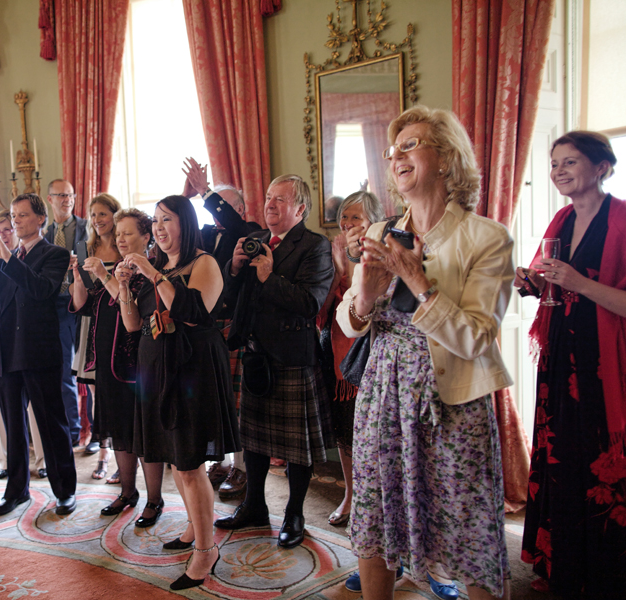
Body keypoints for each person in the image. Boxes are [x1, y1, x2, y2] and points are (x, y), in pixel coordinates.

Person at [336, 106, 515, 600]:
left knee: (468, 526)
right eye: (394, 149)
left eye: (412, 144)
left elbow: (478, 338)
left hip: (452, 403)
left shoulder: (486, 238)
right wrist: (367, 296)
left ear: (446, 159)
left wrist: (417, 281)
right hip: (383, 395)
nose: (398, 156)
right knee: (375, 514)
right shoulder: (378, 233)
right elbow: (349, 322)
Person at [519, 131, 626, 599]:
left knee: (599, 460)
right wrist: (530, 282)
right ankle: (561, 566)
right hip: (561, 356)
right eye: (554, 163)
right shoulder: (561, 217)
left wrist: (578, 282)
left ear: (601, 167)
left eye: (570, 162)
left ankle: (605, 577)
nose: (559, 171)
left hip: (606, 363)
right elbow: (549, 281)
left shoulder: (622, 220)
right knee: (560, 455)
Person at [116, 195, 240, 590]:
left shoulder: (204, 262)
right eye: (155, 221)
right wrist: (122, 287)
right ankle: (193, 528)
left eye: (166, 220)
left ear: (184, 223)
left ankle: (206, 550)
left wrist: (151, 271)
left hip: (193, 370)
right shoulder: (163, 267)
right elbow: (134, 325)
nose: (159, 228)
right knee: (175, 458)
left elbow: (193, 312)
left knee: (188, 463)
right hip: (158, 368)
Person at [215, 174, 335, 550]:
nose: (269, 204)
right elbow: (230, 300)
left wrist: (268, 277)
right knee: (253, 441)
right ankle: (254, 506)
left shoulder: (315, 246)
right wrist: (234, 269)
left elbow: (309, 303)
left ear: (300, 209)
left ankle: (295, 513)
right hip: (256, 354)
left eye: (280, 199)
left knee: (297, 447)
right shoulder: (257, 242)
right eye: (268, 197)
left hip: (292, 357)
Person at [0, 193, 78, 517]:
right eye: (13, 216)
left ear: (41, 218)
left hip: (39, 352)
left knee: (51, 424)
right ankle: (16, 491)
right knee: (13, 427)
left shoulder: (55, 254)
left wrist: (8, 259)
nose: (16, 221)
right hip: (5, 351)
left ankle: (65, 491)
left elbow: (41, 289)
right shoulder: (5, 255)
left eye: (23, 215)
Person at [72, 207, 167, 525]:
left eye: (128, 233)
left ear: (146, 236)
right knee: (122, 434)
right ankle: (128, 493)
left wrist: (104, 275)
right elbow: (89, 304)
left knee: (145, 435)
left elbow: (135, 316)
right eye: (119, 232)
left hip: (140, 365)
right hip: (109, 365)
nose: (121, 238)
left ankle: (154, 500)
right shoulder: (118, 269)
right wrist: (82, 276)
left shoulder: (153, 271)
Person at [182, 157, 262, 501]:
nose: (213, 205)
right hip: (205, 326)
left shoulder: (252, 230)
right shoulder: (203, 234)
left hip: (236, 325)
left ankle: (241, 467)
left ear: (240, 208)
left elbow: (237, 228)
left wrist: (205, 191)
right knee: (218, 399)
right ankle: (223, 461)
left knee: (240, 405)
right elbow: (176, 230)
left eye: (222, 201)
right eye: (211, 200)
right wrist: (186, 199)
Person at [317, 191, 384, 526]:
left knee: (373, 436)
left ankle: (379, 504)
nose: (348, 225)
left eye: (355, 218)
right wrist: (338, 269)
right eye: (345, 218)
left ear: (374, 220)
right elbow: (323, 312)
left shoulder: (384, 249)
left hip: (375, 352)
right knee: (346, 430)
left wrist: (354, 266)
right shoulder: (333, 252)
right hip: (339, 350)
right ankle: (351, 495)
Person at [0, 210, 47, 481]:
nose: (3, 233)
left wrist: (3, 258)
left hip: (29, 341)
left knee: (35, 408)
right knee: (2, 404)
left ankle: (43, 459)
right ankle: (5, 460)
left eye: (7, 228)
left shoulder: (31, 259)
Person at [72, 193, 123, 478]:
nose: (97, 220)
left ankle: (121, 458)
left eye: (102, 214)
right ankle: (103, 453)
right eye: (93, 215)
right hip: (91, 325)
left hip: (120, 323)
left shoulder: (125, 246)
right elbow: (79, 302)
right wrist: (77, 278)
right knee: (95, 393)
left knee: (119, 393)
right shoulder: (84, 248)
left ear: (114, 215)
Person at [43, 179, 89, 446]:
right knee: (64, 372)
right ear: (50, 199)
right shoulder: (45, 235)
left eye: (70, 195)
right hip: (56, 307)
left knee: (91, 369)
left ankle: (98, 433)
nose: (66, 200)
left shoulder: (87, 227)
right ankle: (73, 431)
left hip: (84, 303)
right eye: (60, 195)